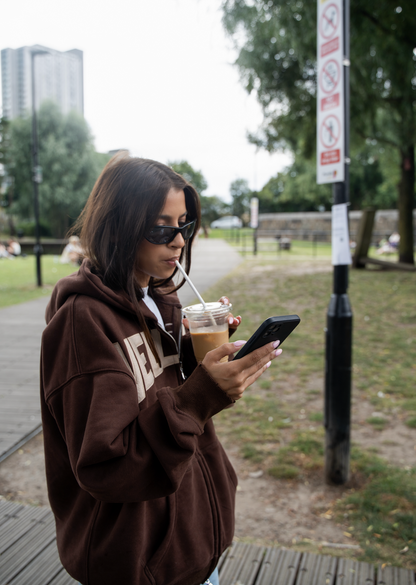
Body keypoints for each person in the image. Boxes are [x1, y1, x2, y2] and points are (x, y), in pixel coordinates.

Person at [40, 155, 283, 585]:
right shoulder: (82, 323)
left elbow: (151, 388)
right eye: (161, 228)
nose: (178, 241)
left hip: (192, 548)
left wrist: (191, 357)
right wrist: (203, 393)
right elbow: (106, 465)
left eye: (184, 225)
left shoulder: (161, 298)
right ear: (120, 225)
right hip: (139, 563)